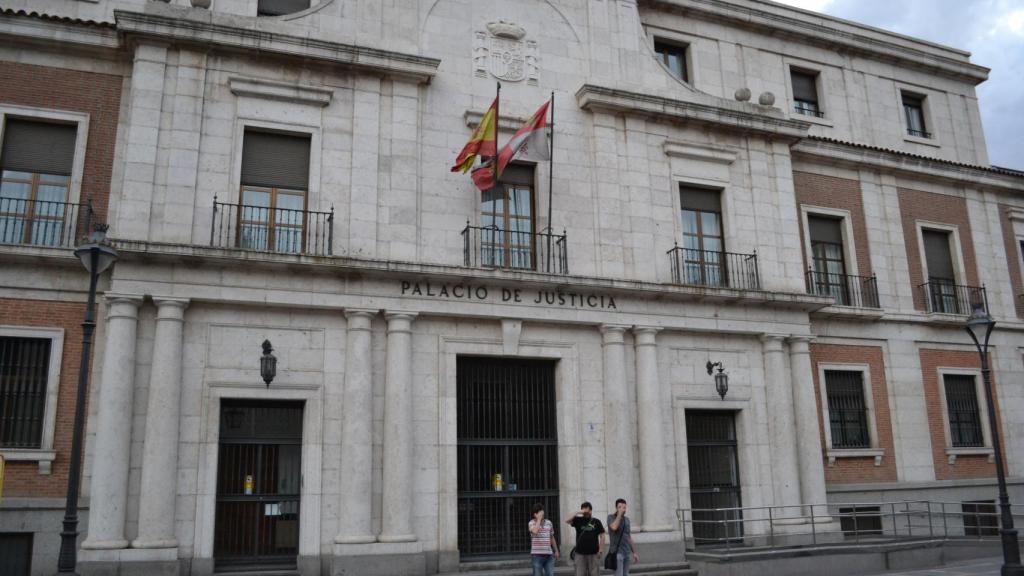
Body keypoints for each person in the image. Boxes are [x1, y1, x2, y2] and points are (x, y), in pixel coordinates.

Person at [566, 501, 605, 576]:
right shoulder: (578, 520)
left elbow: (602, 535)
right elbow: (567, 520)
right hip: (580, 554)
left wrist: (601, 550)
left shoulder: (596, 521)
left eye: (587, 509)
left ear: (591, 510)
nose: (585, 511)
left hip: (593, 554)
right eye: (583, 509)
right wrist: (578, 512)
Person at [607, 498, 639, 576]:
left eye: (624, 507)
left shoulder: (627, 520)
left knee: (626, 574)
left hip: (626, 552)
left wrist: (634, 552)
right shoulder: (611, 517)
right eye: (620, 507)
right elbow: (614, 527)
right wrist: (619, 515)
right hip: (617, 553)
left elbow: (629, 537)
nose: (623, 509)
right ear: (616, 508)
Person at [528, 502, 559, 576]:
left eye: (542, 511)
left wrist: (556, 550)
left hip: (549, 555)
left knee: (550, 574)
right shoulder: (531, 523)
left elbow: (552, 537)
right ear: (535, 514)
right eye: (539, 512)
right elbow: (535, 531)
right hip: (537, 556)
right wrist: (538, 519)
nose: (542, 513)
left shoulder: (549, 523)